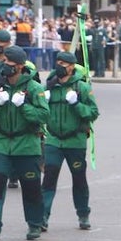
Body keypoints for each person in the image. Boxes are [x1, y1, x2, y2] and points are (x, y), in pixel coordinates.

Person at [0, 46, 50, 241]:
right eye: (4, 62)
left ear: (19, 66)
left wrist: (24, 106)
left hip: (26, 144)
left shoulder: (34, 88)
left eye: (9, 63)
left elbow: (44, 116)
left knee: (31, 187)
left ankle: (34, 223)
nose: (5, 65)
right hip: (2, 143)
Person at [41, 51, 99, 231]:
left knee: (79, 179)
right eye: (57, 62)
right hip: (53, 140)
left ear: (72, 67)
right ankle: (42, 216)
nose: (59, 66)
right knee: (49, 179)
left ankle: (83, 214)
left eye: (63, 63)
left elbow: (93, 112)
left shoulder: (82, 88)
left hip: (75, 141)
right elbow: (39, 112)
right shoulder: (49, 85)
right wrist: (43, 102)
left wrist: (76, 104)